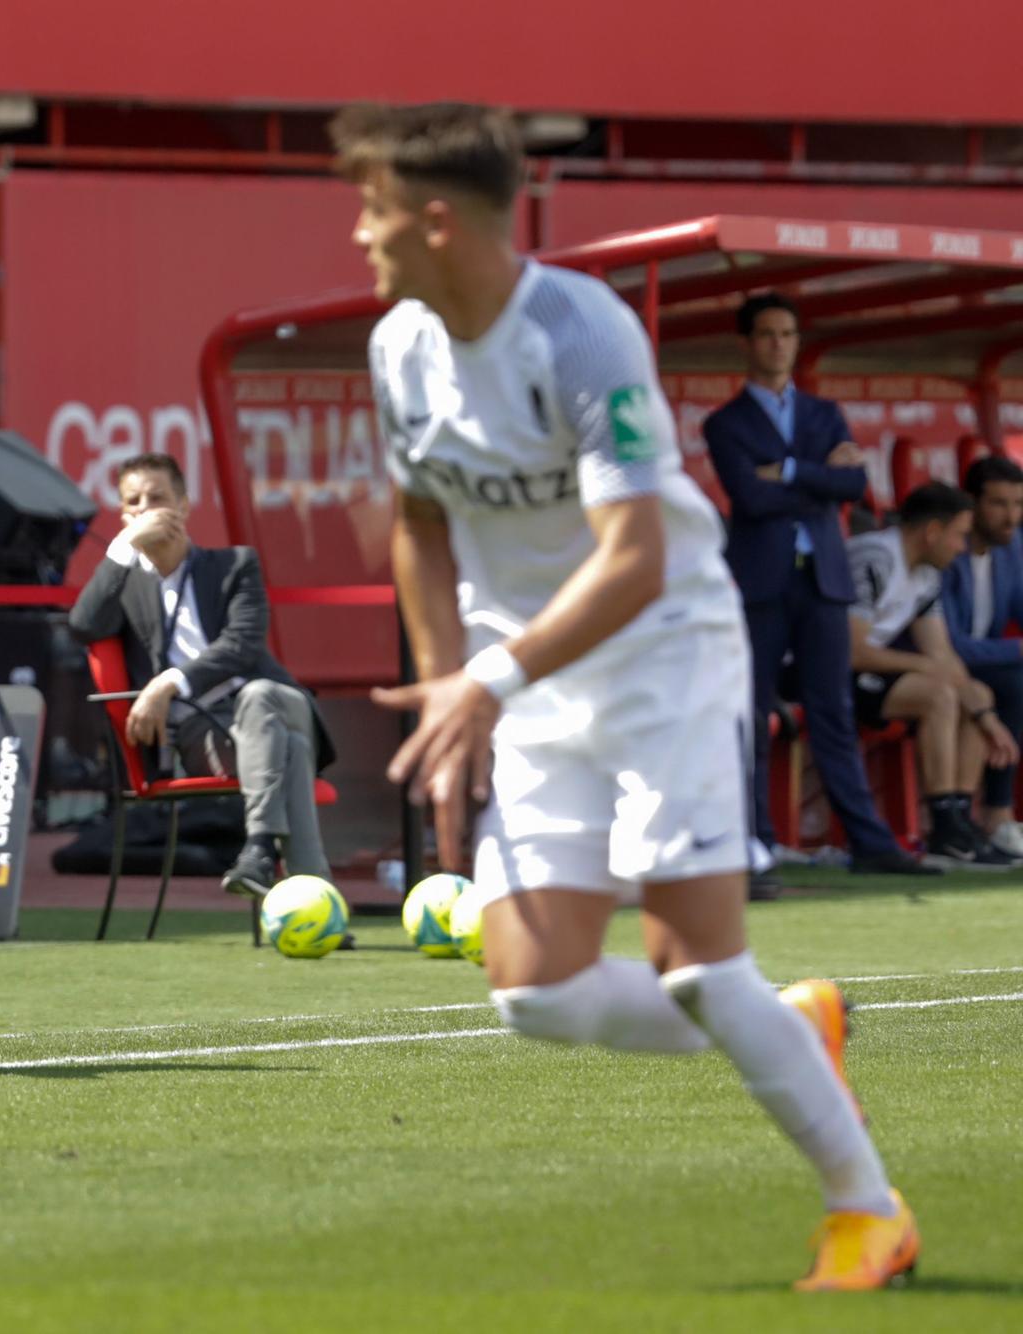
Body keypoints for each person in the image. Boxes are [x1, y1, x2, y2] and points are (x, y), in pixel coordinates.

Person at [345, 101, 916, 1290]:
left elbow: (633, 556)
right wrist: (455, 676)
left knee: (697, 965)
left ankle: (866, 1210)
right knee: (535, 993)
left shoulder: (579, 331)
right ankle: (789, 1027)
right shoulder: (398, 345)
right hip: (530, 676)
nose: (360, 234)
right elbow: (416, 520)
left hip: (662, 653)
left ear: (436, 220)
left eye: (373, 208)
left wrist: (484, 680)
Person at [704, 293, 932, 876]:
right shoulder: (725, 422)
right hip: (759, 582)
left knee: (833, 710)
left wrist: (787, 471)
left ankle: (871, 844)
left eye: (787, 334)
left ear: (797, 342)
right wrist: (819, 477)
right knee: (750, 715)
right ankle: (754, 845)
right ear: (747, 344)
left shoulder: (824, 413)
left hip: (824, 581)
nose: (778, 344)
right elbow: (748, 498)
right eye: (766, 334)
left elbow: (853, 485)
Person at [67, 451, 337, 899]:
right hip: (203, 731)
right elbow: (83, 625)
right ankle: (313, 896)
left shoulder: (234, 566)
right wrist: (123, 547)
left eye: (157, 498)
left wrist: (167, 682)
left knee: (262, 696)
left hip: (277, 704)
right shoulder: (126, 585)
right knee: (289, 750)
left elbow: (242, 645)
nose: (145, 509)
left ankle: (258, 846)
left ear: (184, 506)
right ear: (122, 514)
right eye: (133, 502)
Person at [847, 482, 1018, 865]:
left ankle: (960, 820)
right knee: (938, 693)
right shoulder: (875, 557)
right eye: (959, 535)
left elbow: (942, 653)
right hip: (821, 674)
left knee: (977, 691)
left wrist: (986, 716)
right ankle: (943, 825)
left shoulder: (925, 576)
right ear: (932, 532)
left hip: (875, 676)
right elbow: (853, 651)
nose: (961, 547)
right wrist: (929, 668)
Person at [940, 453, 1023, 853]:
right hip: (942, 666)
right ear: (971, 505)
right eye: (999, 504)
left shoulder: (1012, 548)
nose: (1012, 517)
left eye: (1018, 504)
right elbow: (950, 644)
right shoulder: (947, 554)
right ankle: (997, 814)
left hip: (986, 664)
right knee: (1013, 681)